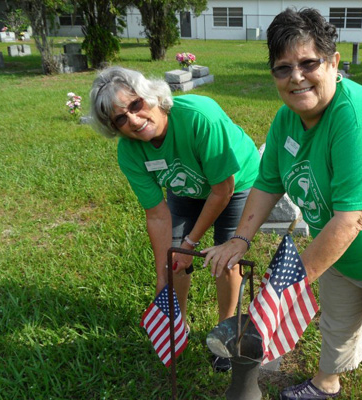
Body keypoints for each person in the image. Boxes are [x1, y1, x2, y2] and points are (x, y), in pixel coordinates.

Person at [203, 8, 362, 399]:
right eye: (283, 68)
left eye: (308, 63)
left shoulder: (361, 121)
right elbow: (268, 183)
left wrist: (284, 289)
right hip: (339, 253)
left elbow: (352, 220)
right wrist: (240, 240)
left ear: (334, 62)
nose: (296, 77)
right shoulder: (287, 119)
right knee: (337, 323)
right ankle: (327, 382)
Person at [89, 66, 260, 372]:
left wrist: (191, 241)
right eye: (120, 119)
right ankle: (175, 325)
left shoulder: (199, 117)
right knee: (175, 259)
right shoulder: (129, 152)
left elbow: (222, 189)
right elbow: (156, 215)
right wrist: (161, 277)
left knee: (226, 256)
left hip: (236, 181)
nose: (134, 120)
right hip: (187, 186)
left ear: (151, 95)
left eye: (135, 105)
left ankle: (225, 331)